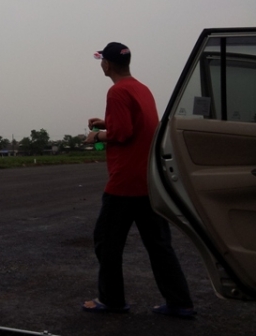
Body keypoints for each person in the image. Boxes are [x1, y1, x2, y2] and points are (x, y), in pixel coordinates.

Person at [82, 42, 195, 319]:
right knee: (158, 245)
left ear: (107, 64)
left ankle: (112, 300)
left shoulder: (117, 91)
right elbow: (139, 126)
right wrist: (107, 123)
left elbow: (122, 133)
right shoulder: (142, 89)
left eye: (102, 60)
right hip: (147, 180)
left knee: (106, 242)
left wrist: (96, 136)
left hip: (124, 183)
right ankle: (180, 302)